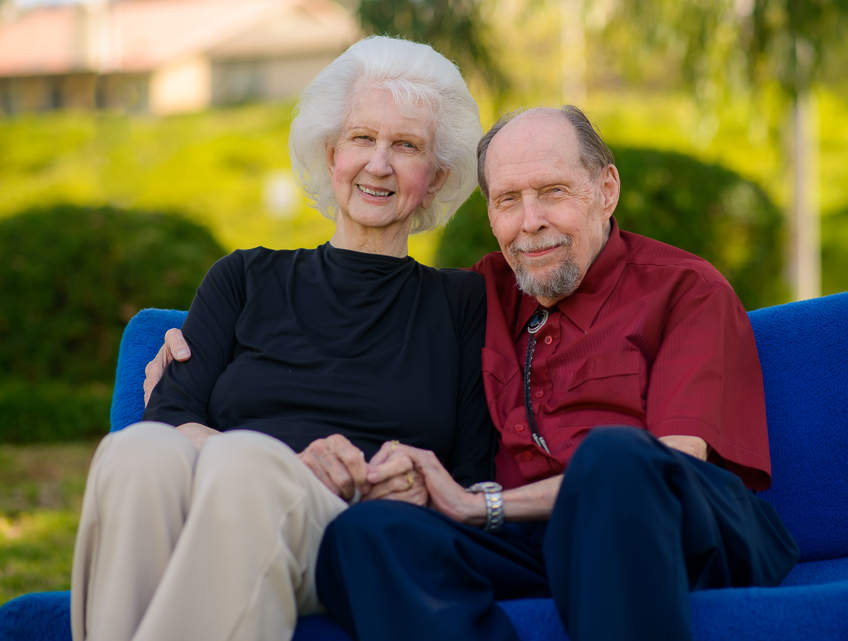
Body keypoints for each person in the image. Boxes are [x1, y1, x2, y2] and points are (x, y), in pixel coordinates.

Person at [148, 106, 799, 641]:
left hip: (673, 527)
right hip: (529, 540)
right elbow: (337, 349)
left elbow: (671, 463)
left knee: (613, 459)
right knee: (366, 533)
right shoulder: (478, 296)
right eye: (508, 200)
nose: (530, 222)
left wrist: (478, 502)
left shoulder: (685, 289)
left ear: (606, 190)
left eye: (551, 192)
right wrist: (198, 372)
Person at [70, 36, 494, 641]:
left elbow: (471, 467)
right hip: (223, 496)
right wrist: (283, 462)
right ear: (330, 155)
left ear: (436, 177)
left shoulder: (463, 304)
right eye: (361, 138)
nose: (379, 163)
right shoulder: (244, 276)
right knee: (134, 454)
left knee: (247, 463)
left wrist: (412, 484)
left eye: (406, 146)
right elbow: (168, 417)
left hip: (345, 528)